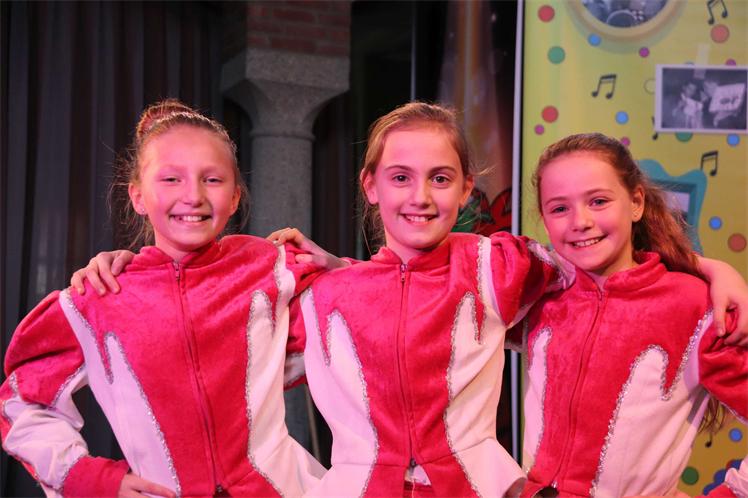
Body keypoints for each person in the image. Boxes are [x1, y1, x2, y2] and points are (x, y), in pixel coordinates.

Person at [72, 103, 748, 497]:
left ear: (465, 189)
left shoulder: (502, 265)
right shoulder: (318, 289)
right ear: (371, 186)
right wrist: (138, 268)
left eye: (440, 178)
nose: (420, 196)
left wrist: (708, 269)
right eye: (400, 177)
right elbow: (204, 331)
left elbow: (603, 276)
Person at [0, 100, 325, 498]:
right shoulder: (98, 297)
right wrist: (91, 479)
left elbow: (360, 330)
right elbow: (21, 402)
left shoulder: (271, 268)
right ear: (138, 196)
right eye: (171, 179)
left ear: (235, 197)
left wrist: (338, 266)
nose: (193, 196)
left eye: (212, 179)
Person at [514, 133, 747, 497]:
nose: (580, 221)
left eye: (598, 201)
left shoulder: (694, 306)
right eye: (559, 208)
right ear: (544, 219)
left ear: (636, 202)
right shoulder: (538, 294)